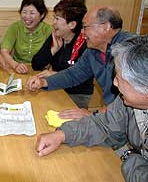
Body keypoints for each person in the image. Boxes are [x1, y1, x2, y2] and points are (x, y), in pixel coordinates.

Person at [35, 36, 148, 182]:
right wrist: (63, 135)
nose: (114, 83)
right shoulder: (126, 102)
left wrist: (130, 159)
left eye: (120, 79)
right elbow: (103, 125)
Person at [27, 6, 133, 119]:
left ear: (105, 27)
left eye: (85, 27)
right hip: (111, 116)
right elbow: (73, 74)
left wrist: (96, 115)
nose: (82, 32)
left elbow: (135, 98)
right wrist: (44, 82)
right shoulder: (92, 51)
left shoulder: (133, 50)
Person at [31, 0, 93, 108]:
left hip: (76, 95)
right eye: (54, 18)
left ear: (72, 24)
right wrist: (52, 50)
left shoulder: (86, 43)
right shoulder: (57, 35)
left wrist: (54, 75)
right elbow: (36, 64)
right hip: (55, 86)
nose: (53, 22)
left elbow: (81, 81)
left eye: (57, 19)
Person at [1, 0, 52, 74]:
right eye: (24, 12)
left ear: (41, 15)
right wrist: (15, 65)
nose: (27, 16)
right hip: (17, 69)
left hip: (41, 71)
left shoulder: (48, 30)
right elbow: (4, 51)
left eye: (32, 13)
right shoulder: (15, 27)